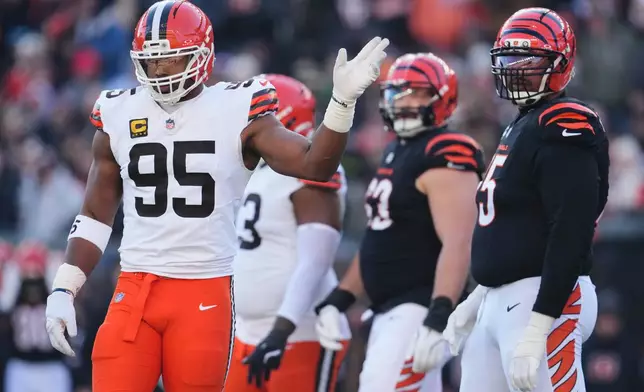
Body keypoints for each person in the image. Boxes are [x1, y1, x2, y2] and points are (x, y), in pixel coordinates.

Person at [42, 1, 389, 391]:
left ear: (202, 55)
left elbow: (314, 165)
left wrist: (341, 104)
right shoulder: (117, 111)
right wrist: (64, 287)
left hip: (204, 290)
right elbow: (94, 214)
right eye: (151, 61)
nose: (159, 71)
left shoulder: (236, 108)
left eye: (172, 60)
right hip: (134, 286)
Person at [442, 7, 609, 392]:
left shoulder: (564, 123)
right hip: (499, 302)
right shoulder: (522, 124)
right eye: (509, 59)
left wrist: (542, 322)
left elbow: (571, 230)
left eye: (527, 59)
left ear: (561, 63)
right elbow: (512, 228)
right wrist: (478, 297)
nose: (514, 69)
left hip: (543, 298)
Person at [314, 52, 485, 391]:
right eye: (398, 93)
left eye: (417, 92)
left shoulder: (446, 149)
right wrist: (341, 298)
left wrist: (437, 317)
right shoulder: (398, 150)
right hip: (388, 310)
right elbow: (381, 236)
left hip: (415, 308)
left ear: (442, 98)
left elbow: (459, 242)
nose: (404, 102)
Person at [224, 74, 350, 391]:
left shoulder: (309, 169)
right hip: (243, 330)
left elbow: (316, 260)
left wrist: (282, 329)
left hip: (297, 331)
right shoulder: (254, 172)